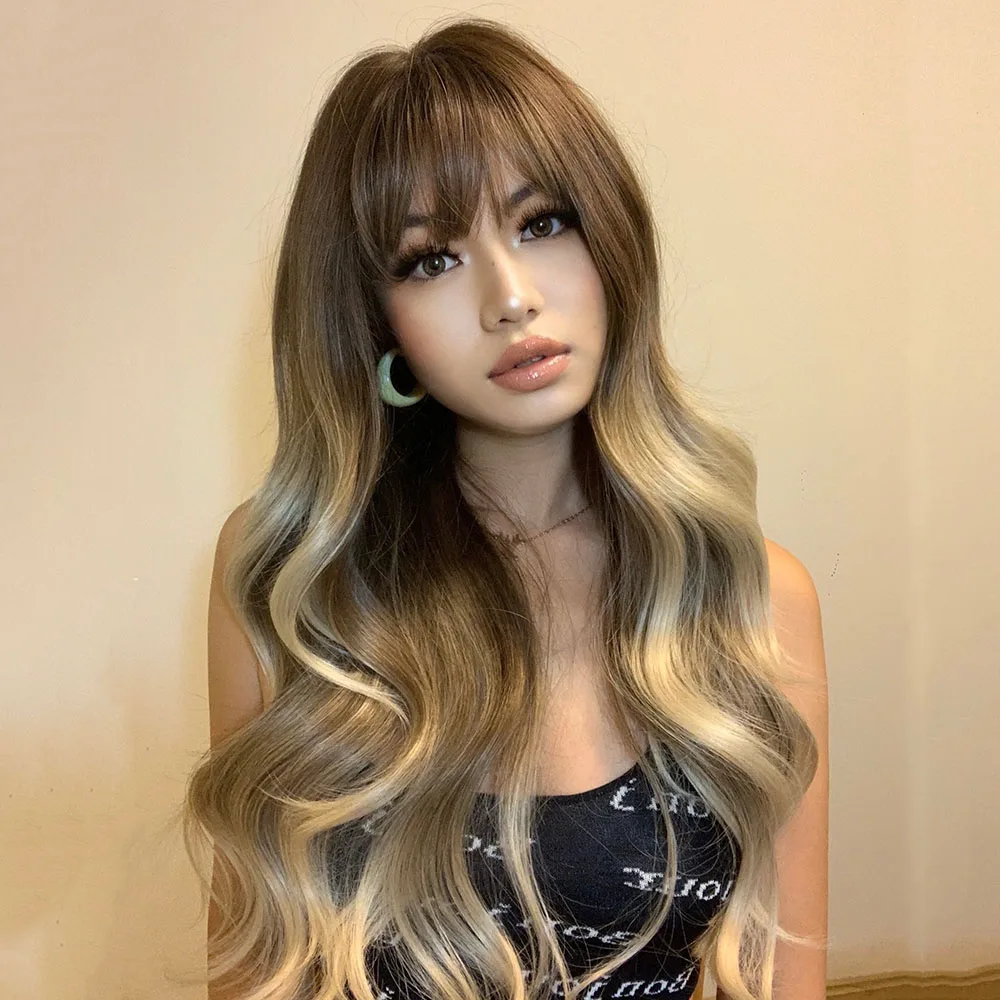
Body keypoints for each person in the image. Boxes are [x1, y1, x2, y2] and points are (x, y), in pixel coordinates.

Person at [183, 15, 829, 1000]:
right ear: (374, 320)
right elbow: (252, 970)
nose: (511, 297)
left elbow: (785, 978)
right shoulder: (294, 584)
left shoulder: (756, 599)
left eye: (542, 223)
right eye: (430, 259)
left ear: (610, 240)